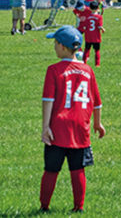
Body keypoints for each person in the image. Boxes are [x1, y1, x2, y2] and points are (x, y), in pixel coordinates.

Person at [39, 25, 105, 213]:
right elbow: (97, 102)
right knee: (77, 169)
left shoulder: (53, 70)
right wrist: (98, 123)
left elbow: (48, 100)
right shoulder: (88, 70)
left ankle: (44, 207)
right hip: (81, 127)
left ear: (62, 46)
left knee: (51, 169)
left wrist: (45, 127)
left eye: (55, 43)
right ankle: (79, 207)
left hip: (58, 127)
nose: (54, 46)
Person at [78, 1, 104, 67]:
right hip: (96, 37)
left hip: (88, 36)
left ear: (89, 8)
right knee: (97, 51)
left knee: (86, 50)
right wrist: (103, 29)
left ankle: (84, 62)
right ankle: (97, 64)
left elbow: (85, 26)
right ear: (98, 8)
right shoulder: (99, 17)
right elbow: (99, 26)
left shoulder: (87, 17)